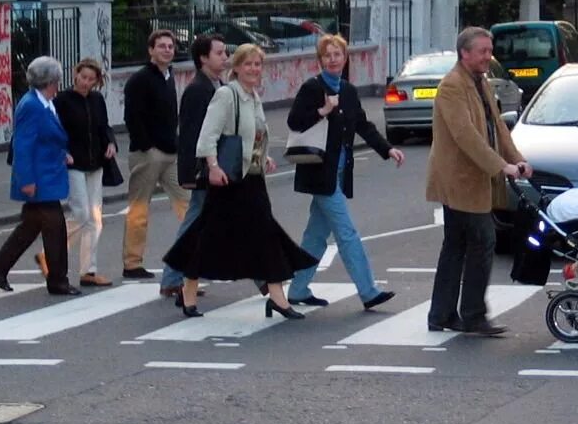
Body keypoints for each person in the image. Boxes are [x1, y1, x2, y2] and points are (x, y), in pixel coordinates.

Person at [163, 44, 316, 319]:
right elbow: (206, 137)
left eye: (258, 64)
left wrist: (264, 157)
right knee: (209, 235)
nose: (254, 69)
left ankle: (276, 297)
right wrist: (212, 166)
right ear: (236, 68)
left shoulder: (253, 95)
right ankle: (189, 290)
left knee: (262, 234)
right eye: (248, 64)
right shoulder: (226, 95)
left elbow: (255, 135)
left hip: (251, 177)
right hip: (228, 180)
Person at [284, 34, 405, 310]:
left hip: (339, 172)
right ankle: (368, 291)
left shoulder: (348, 91)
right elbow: (294, 122)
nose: (333, 59)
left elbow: (363, 125)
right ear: (320, 60)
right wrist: (323, 110)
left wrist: (387, 149)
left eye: (337, 54)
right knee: (347, 233)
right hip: (319, 173)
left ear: (345, 57)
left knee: (315, 235)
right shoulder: (312, 88)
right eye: (327, 55)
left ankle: (298, 290)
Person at [425, 27, 532, 337]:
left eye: (490, 50)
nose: (489, 56)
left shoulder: (480, 82)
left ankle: (442, 313)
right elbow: (466, 137)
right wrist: (502, 167)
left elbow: (497, 126)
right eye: (483, 51)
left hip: (473, 178)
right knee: (483, 240)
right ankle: (472, 314)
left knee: (456, 245)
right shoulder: (451, 87)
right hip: (459, 179)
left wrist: (517, 159)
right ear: (465, 54)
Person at [0, 56, 79, 296]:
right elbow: (23, 146)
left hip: (48, 175)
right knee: (56, 229)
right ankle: (58, 281)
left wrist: (63, 153)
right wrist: (26, 180)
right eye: (57, 79)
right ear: (51, 81)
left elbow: (48, 138)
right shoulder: (31, 106)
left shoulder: (45, 103)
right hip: (38, 179)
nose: (59, 83)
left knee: (29, 228)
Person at [158, 32, 229, 303]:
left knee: (201, 224)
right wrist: (192, 174)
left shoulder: (215, 85)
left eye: (225, 53)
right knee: (195, 225)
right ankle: (173, 279)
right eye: (219, 53)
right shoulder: (199, 90)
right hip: (204, 171)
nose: (225, 57)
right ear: (203, 58)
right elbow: (190, 135)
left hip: (213, 168)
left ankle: (174, 278)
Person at [122, 29, 188, 279]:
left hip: (171, 153)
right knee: (139, 210)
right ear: (151, 50)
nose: (167, 50)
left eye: (170, 46)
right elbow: (132, 117)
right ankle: (132, 263)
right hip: (148, 153)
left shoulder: (168, 76)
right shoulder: (140, 79)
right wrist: (146, 146)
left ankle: (188, 259)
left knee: (188, 205)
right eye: (161, 46)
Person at [54, 58, 117, 288]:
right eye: (83, 77)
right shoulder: (62, 100)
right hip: (72, 162)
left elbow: (104, 127)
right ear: (75, 75)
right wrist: (62, 151)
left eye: (91, 79)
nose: (86, 83)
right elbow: (54, 130)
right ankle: (49, 254)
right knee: (81, 215)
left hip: (95, 162)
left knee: (95, 219)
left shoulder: (97, 99)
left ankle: (88, 271)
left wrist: (111, 142)